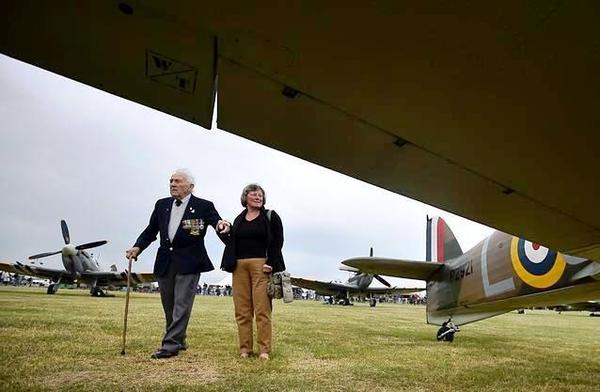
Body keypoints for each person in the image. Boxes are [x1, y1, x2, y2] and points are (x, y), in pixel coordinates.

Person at [125, 169, 230, 359]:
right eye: (171, 181)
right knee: (169, 304)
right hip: (165, 261)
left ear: (190, 187)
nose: (173, 184)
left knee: (182, 303)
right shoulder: (162, 205)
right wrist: (137, 247)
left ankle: (170, 345)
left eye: (178, 181)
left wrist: (223, 227)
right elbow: (151, 230)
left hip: (190, 262)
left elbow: (217, 223)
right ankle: (179, 339)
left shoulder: (204, 206)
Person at [220, 184, 285, 360]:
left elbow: (277, 241)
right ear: (245, 198)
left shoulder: (270, 216)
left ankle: (264, 350)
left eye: (261, 195)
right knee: (242, 310)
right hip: (239, 266)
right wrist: (224, 231)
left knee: (262, 309)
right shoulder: (239, 219)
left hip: (261, 265)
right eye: (254, 195)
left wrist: (270, 262)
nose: (258, 197)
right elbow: (231, 242)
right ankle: (245, 349)